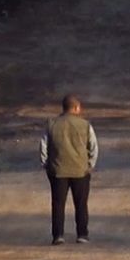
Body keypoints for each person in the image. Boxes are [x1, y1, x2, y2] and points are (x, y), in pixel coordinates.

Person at [40, 94, 98, 245]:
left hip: (58, 171)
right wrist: (90, 165)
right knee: (81, 203)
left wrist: (46, 164)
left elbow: (43, 146)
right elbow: (93, 147)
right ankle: (82, 234)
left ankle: (58, 235)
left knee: (58, 204)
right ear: (76, 108)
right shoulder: (85, 125)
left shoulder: (52, 124)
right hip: (80, 170)